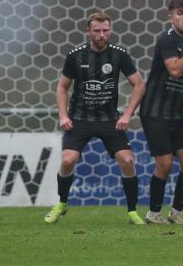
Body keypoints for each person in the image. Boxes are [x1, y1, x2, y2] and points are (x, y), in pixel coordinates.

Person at [47, 12, 146, 225]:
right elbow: (63, 87)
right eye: (97, 31)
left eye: (105, 30)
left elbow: (139, 84)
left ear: (110, 30)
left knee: (128, 160)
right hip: (79, 119)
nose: (102, 35)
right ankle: (62, 203)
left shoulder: (119, 54)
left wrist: (128, 114)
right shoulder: (75, 55)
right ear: (88, 31)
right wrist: (63, 115)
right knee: (68, 160)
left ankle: (132, 212)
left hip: (109, 119)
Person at [140, 0, 183, 224]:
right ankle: (153, 213)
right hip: (155, 112)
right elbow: (175, 70)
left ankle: (176, 212)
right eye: (180, 13)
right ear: (171, 16)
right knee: (165, 164)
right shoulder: (167, 38)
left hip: (178, 114)